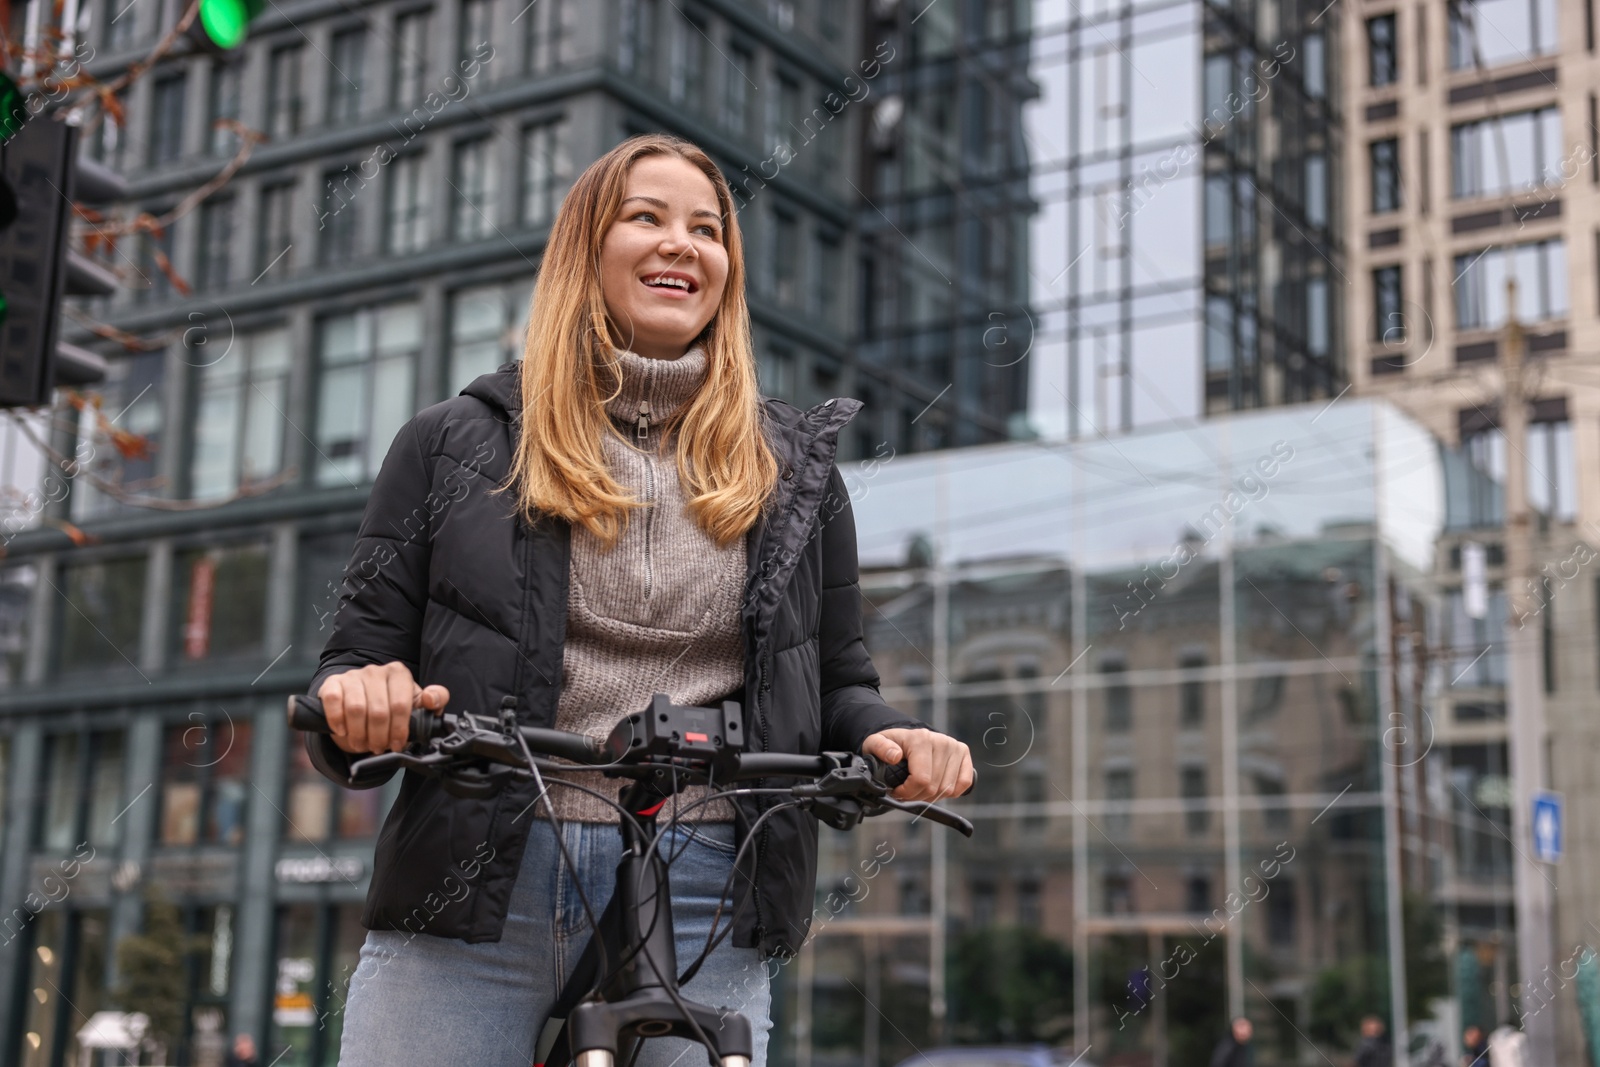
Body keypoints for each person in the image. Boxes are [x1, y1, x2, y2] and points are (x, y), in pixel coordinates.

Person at [305, 133, 975, 1067]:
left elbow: (833, 684)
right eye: (646, 218)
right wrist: (364, 698)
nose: (682, 244)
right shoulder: (453, 443)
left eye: (707, 229)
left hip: (707, 881)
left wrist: (891, 735)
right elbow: (353, 663)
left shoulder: (795, 472)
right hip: (478, 878)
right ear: (587, 249)